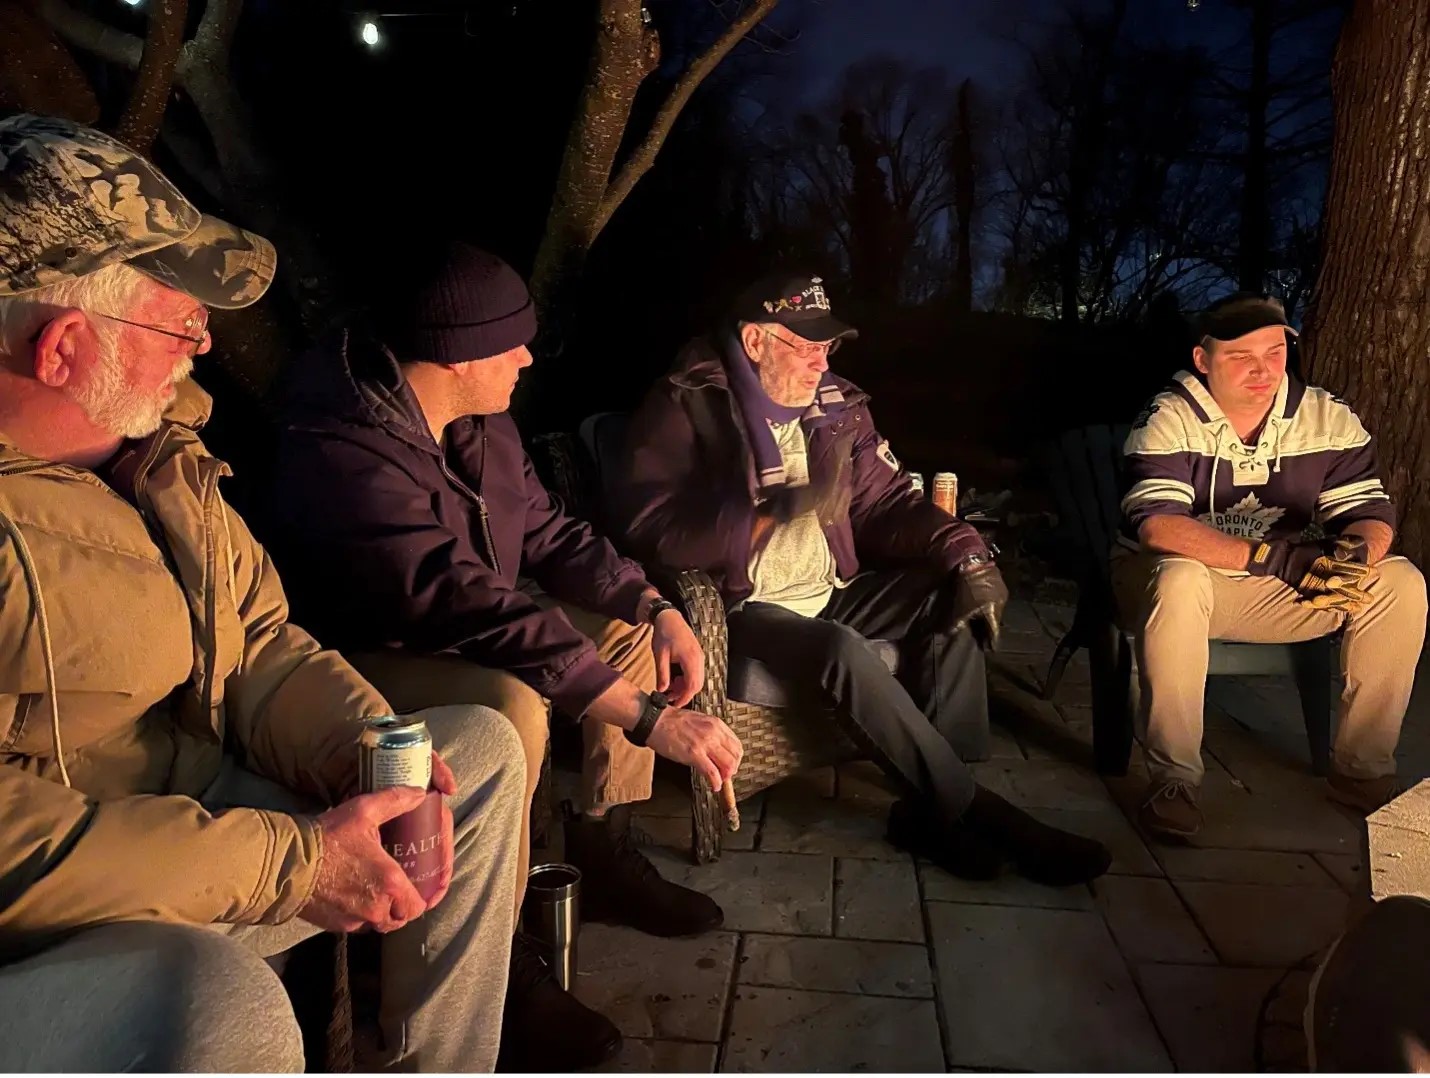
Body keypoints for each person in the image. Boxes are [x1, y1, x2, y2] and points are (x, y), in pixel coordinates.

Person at [0, 114, 524, 1072]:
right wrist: (294, 863)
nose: (203, 341)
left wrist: (370, 754)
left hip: (220, 815)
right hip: (83, 907)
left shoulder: (158, 456)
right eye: (175, 317)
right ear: (62, 348)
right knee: (217, 1004)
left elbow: (262, 646)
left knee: (471, 754)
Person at [262, 240, 744, 1070]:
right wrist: (649, 720)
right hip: (358, 656)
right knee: (512, 702)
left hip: (464, 624)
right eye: (511, 344)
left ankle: (602, 840)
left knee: (624, 634)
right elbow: (464, 599)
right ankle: (503, 947)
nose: (526, 358)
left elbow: (547, 530)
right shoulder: (341, 448)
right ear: (456, 356)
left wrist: (651, 602)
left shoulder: (481, 423)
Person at [611, 271, 1112, 886]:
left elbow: (888, 502)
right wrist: (758, 517)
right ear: (755, 341)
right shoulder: (687, 404)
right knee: (841, 649)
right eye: (806, 346)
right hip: (743, 607)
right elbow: (648, 528)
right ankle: (981, 811)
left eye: (827, 347)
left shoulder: (837, 408)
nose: (822, 363)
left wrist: (968, 555)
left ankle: (932, 812)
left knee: (949, 594)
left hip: (831, 591)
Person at [1115, 292, 1427, 842]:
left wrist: (1352, 556)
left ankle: (1361, 770)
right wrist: (1274, 557)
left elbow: (1369, 511)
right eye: (1241, 356)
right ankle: (1175, 780)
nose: (1262, 370)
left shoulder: (1325, 416)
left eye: (1275, 352)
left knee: (1399, 580)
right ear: (1203, 359)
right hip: (1166, 585)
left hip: (1276, 586)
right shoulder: (1168, 416)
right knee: (1181, 577)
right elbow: (1158, 527)